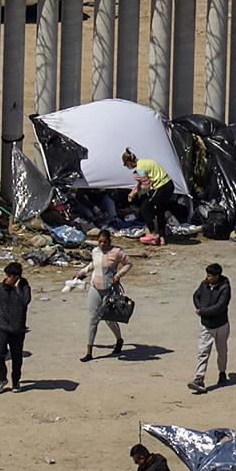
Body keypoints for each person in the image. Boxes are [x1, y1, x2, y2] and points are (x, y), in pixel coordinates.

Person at [79, 231, 133, 362]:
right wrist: (82, 272)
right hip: (95, 288)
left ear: (109, 241)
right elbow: (93, 264)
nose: (102, 244)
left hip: (110, 289)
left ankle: (119, 340)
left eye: (105, 242)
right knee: (93, 319)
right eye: (100, 241)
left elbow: (128, 263)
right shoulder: (95, 251)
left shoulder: (116, 252)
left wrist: (119, 275)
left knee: (109, 319)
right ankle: (89, 351)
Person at [123, 149, 188, 245]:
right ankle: (162, 238)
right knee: (160, 211)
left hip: (162, 187)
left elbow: (145, 184)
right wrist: (134, 192)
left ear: (129, 161)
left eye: (126, 164)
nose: (127, 167)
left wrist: (133, 193)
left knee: (145, 209)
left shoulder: (139, 168)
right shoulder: (145, 162)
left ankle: (152, 233)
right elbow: (143, 181)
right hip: (169, 185)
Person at [0, 261, 32, 393]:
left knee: (17, 356)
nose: (6, 278)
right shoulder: (1, 287)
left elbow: (25, 301)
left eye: (9, 276)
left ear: (16, 277)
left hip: (18, 329)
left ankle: (16, 381)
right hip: (2, 326)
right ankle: (2, 378)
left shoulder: (24, 287)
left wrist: (17, 287)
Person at [192, 263, 232, 393]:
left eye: (210, 276)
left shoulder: (225, 288)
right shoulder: (204, 284)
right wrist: (200, 308)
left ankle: (222, 373)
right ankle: (199, 378)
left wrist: (202, 312)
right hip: (206, 324)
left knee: (222, 351)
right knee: (203, 351)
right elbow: (196, 296)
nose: (207, 277)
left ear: (217, 276)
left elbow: (220, 306)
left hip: (221, 325)